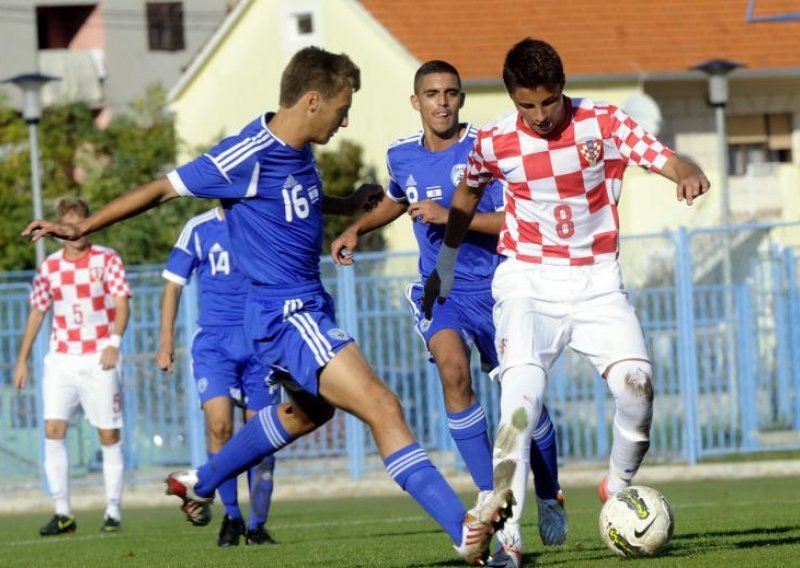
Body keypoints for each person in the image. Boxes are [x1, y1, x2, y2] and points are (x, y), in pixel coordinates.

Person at [23, 46, 513, 565]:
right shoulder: (245, 153)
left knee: (308, 412)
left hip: (302, 308)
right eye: (342, 108)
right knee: (383, 406)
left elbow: (292, 198)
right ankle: (465, 534)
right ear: (311, 100)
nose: (345, 120)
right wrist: (84, 226)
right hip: (288, 314)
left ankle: (201, 480)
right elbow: (162, 189)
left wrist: (346, 205)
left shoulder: (299, 150)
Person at [423, 38, 710, 567]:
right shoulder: (493, 141)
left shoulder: (602, 122)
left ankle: (618, 484)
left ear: (562, 87)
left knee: (637, 391)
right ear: (512, 99)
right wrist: (444, 266)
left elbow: (664, 156)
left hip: (598, 281)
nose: (537, 116)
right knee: (520, 402)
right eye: (525, 106)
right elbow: (464, 197)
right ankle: (508, 538)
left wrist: (685, 173)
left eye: (547, 102)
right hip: (527, 281)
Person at [331, 60, 567, 551]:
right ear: (415, 101)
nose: (442, 102)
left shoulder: (489, 146)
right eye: (432, 93)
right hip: (442, 289)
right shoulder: (400, 155)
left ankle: (548, 491)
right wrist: (356, 227)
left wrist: (453, 214)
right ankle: (491, 497)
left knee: (524, 401)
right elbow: (398, 198)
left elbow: (518, 219)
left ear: (462, 99)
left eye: (452, 93)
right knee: (453, 371)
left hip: (502, 287)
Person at [157, 206, 279, 546]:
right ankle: (232, 516)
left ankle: (257, 525)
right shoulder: (198, 228)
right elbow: (172, 285)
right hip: (214, 344)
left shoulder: (263, 218)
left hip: (261, 340)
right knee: (219, 428)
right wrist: (165, 341)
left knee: (263, 440)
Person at [14, 197, 129, 536]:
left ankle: (113, 510)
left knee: (108, 433)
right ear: (58, 230)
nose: (74, 232)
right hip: (61, 358)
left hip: (99, 357)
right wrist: (22, 359)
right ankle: (62, 512)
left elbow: (122, 304)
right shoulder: (49, 266)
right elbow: (37, 312)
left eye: (79, 223)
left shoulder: (107, 259)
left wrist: (114, 343)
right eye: (67, 225)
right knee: (53, 430)